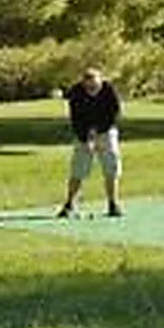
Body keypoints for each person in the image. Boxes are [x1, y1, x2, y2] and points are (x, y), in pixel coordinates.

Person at [58, 67, 123, 218]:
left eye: (94, 87)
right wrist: (85, 138)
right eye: (88, 87)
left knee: (111, 167)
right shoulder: (76, 93)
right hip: (84, 133)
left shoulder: (109, 90)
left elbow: (115, 113)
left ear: (100, 81)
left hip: (106, 131)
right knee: (78, 169)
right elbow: (76, 119)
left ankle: (113, 204)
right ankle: (69, 204)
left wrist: (98, 131)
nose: (91, 90)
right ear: (83, 84)